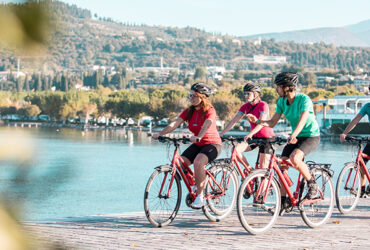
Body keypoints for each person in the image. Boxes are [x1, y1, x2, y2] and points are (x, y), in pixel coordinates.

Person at [246, 72, 321, 213]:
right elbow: (272, 122)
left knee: (295, 158)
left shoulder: (304, 99)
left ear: (287, 87)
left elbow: (303, 119)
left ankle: (312, 184)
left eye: (278, 86)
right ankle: (284, 201)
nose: (276, 89)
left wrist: (294, 134)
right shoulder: (281, 102)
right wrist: (257, 121)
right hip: (295, 136)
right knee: (281, 166)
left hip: (310, 136)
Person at [152, 83, 222, 208]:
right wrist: (160, 133)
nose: (191, 98)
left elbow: (208, 123)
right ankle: (196, 182)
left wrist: (199, 136)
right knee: (179, 163)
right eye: (190, 95)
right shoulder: (189, 111)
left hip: (212, 144)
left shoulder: (209, 110)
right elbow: (175, 123)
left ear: (203, 97)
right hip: (197, 143)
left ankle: (200, 196)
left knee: (198, 161)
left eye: (195, 96)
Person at [219, 82, 275, 171]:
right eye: (244, 93)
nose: (246, 96)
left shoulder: (263, 105)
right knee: (235, 150)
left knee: (263, 168)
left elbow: (261, 123)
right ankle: (250, 171)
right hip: (254, 137)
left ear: (256, 94)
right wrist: (222, 133)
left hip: (266, 138)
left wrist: (250, 134)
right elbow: (234, 121)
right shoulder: (245, 107)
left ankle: (264, 181)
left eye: (248, 93)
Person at [340, 100, 370, 197]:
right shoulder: (367, 107)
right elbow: (355, 120)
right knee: (361, 164)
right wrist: (345, 133)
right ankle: (362, 189)